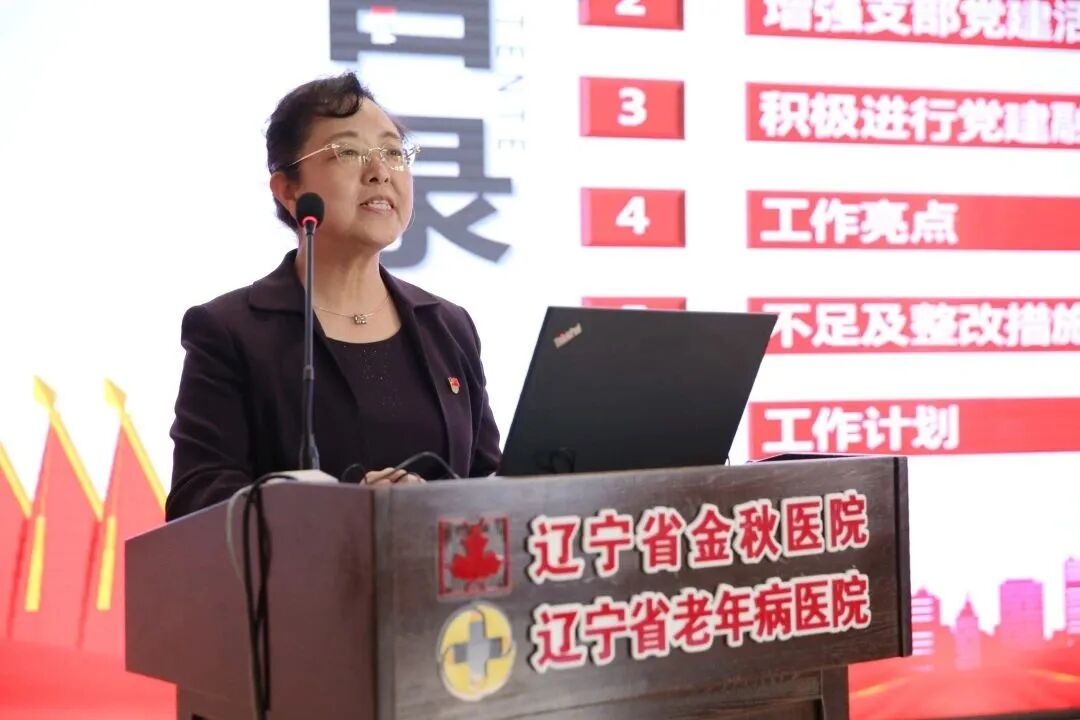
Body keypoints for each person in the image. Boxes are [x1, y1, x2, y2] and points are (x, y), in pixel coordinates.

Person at [165, 72, 501, 521]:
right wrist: (342, 511)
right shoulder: (232, 330)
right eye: (348, 152)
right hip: (304, 568)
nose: (380, 171)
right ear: (289, 190)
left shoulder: (446, 325)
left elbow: (490, 480)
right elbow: (198, 497)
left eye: (393, 152)